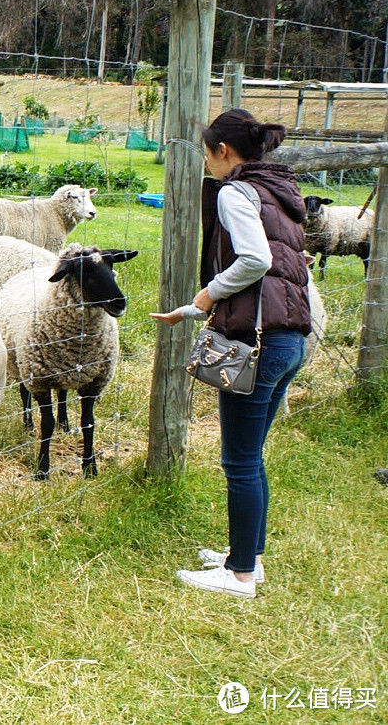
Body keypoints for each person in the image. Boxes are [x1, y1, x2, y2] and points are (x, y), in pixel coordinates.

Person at [151, 108, 311, 598]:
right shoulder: (280, 192)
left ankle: (239, 577)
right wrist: (192, 312)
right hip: (290, 340)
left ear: (223, 152)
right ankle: (250, 559)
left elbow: (256, 261)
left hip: (257, 347)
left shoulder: (235, 192)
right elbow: (274, 275)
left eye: (207, 155)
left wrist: (205, 296)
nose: (209, 165)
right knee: (251, 457)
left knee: (238, 461)